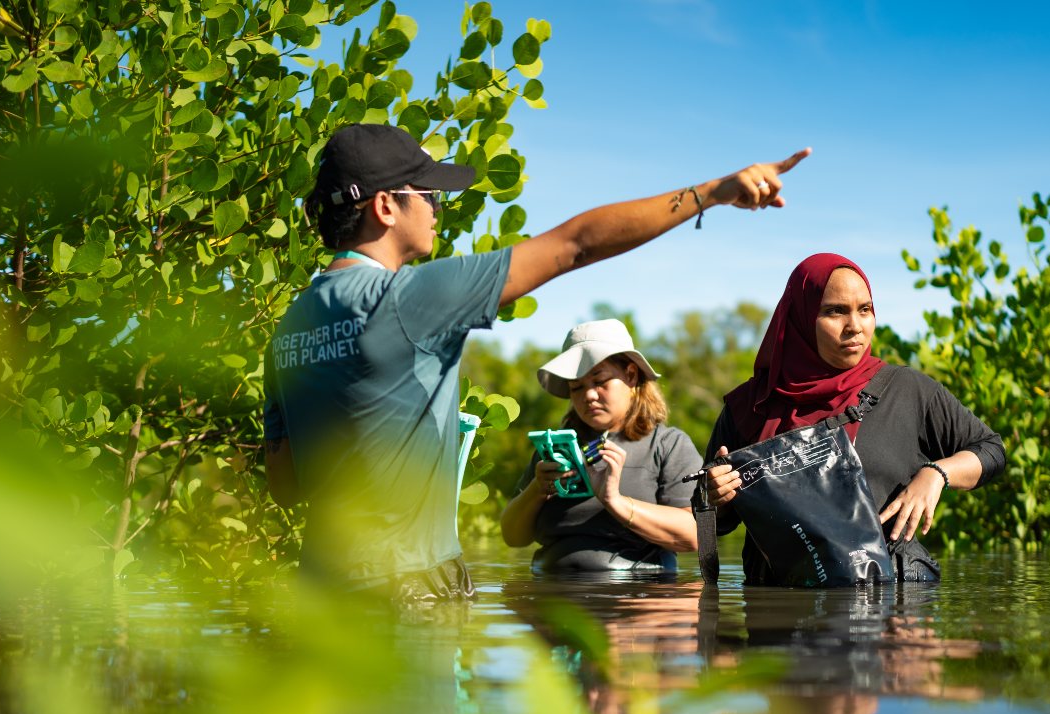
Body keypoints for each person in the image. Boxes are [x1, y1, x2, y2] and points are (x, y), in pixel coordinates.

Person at [262, 122, 810, 599]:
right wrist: (711, 192)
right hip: (407, 588)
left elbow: (286, 486)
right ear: (386, 205)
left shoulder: (288, 329)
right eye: (427, 194)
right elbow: (575, 245)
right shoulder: (407, 298)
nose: (435, 208)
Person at [704, 252, 1005, 582]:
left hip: (892, 609)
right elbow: (711, 526)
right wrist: (715, 496)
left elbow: (991, 450)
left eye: (865, 310)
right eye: (835, 311)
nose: (855, 327)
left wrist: (936, 474)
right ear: (800, 318)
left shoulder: (907, 389)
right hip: (778, 612)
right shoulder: (749, 407)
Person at [500, 319, 702, 573]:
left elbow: (693, 535)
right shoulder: (556, 449)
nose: (589, 395)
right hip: (551, 599)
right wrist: (537, 489)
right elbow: (513, 537)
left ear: (631, 375)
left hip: (639, 598)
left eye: (600, 382)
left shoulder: (668, 445)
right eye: (577, 387)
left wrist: (614, 501)